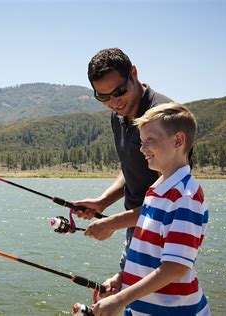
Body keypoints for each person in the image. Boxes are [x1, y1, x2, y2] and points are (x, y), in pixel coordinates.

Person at [92, 103, 210, 315]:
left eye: (150, 141)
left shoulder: (185, 197)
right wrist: (123, 279)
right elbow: (149, 255)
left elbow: (175, 267)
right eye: (142, 141)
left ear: (178, 140)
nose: (142, 148)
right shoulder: (158, 189)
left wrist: (120, 300)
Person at [73, 48, 173, 294]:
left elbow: (171, 201)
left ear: (134, 74)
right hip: (136, 225)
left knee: (158, 301)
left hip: (165, 229)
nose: (115, 102)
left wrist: (113, 223)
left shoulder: (164, 116)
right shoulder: (118, 116)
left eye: (119, 91)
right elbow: (132, 168)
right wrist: (103, 202)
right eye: (103, 97)